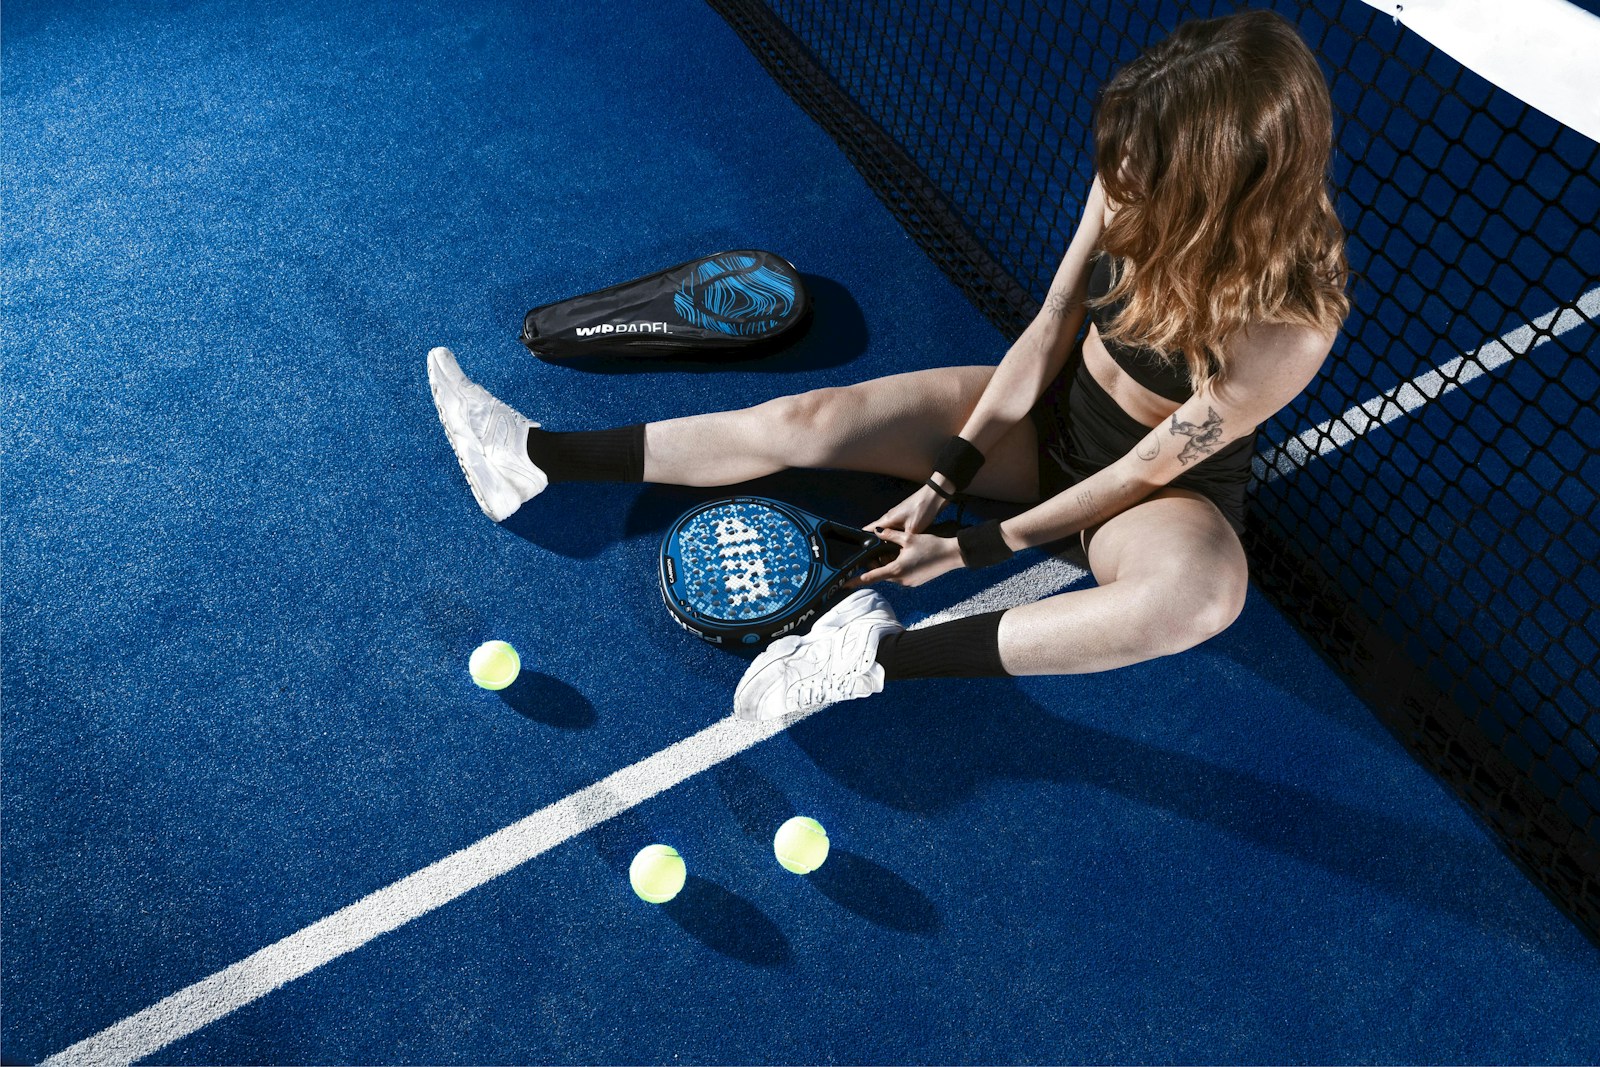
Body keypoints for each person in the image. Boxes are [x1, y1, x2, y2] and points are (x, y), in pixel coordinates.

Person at [427, 9, 1349, 722]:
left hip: (1155, 494)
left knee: (1199, 599)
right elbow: (1049, 327)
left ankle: (870, 656)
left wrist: (968, 546)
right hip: (1051, 418)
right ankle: (536, 459)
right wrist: (947, 476)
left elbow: (1141, 470)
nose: (1122, 177)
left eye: (1149, 170)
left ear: (1221, 184)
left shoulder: (1292, 322)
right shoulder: (1132, 172)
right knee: (815, 420)